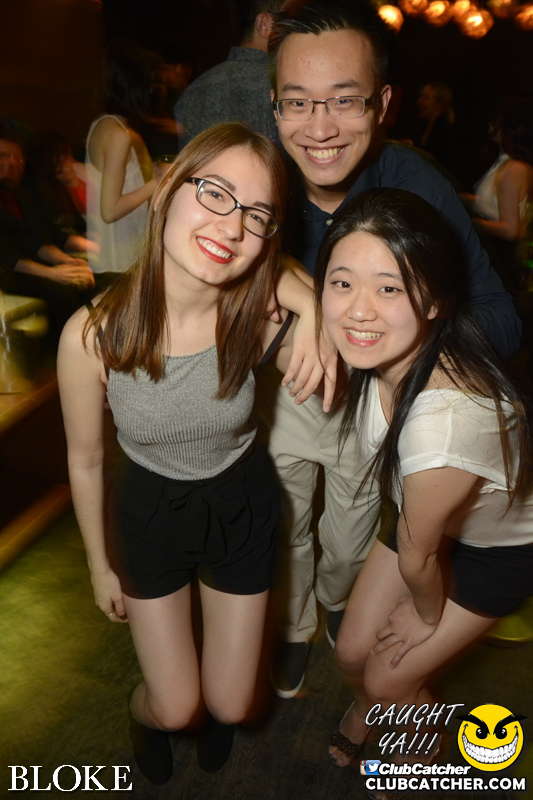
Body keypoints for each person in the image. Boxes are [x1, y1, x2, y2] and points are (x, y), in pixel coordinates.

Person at [57, 122, 333, 784]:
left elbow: (288, 277)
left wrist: (316, 310)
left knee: (233, 704)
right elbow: (86, 460)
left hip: (240, 501)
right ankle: (146, 717)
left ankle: (214, 713)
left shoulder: (255, 311)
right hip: (149, 511)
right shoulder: (92, 336)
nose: (231, 227)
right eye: (214, 192)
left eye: (256, 214)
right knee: (176, 707)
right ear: (165, 191)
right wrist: (98, 566)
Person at [265, 0, 522, 698]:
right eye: (298, 102)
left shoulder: (417, 187)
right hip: (283, 387)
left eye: (344, 100)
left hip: (386, 406)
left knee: (350, 537)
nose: (320, 128)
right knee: (282, 522)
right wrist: (296, 292)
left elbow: (502, 322)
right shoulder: (260, 177)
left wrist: (380, 344)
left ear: (381, 104)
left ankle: (338, 606)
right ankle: (293, 629)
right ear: (275, 105)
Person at [315, 188, 533, 794]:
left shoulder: (446, 420)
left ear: (435, 299)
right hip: (429, 520)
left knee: (388, 679)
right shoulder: (380, 351)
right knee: (351, 652)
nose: (358, 311)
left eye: (389, 288)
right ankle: (373, 709)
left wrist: (426, 613)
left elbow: (418, 555)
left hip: (501, 551)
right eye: (341, 283)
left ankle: (427, 758)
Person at [0, 125, 94, 343]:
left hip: (24, 264)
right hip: (7, 273)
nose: (12, 163)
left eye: (17, 158)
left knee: (85, 283)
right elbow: (6, 254)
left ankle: (97, 348)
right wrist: (51, 273)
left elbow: (39, 239)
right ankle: (69, 355)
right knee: (62, 294)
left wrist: (67, 263)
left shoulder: (21, 193)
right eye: (3, 156)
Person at [86, 39, 158, 275]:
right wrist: (157, 183)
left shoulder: (102, 123)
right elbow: (110, 210)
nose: (152, 89)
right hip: (120, 261)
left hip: (110, 257)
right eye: (149, 82)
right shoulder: (119, 134)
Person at [175, 0, 283, 147]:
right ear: (264, 24)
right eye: (291, 22)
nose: (299, 30)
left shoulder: (194, 89)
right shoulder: (283, 85)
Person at [467, 95, 533, 288]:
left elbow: (510, 230)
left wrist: (466, 222)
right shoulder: (504, 162)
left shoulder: (514, 168)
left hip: (500, 259)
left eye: (498, 120)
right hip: (495, 255)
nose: (491, 125)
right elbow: (493, 204)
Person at [416, 82, 456, 172]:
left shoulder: (446, 131)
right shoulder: (424, 126)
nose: (420, 101)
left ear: (440, 104)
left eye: (426, 98)